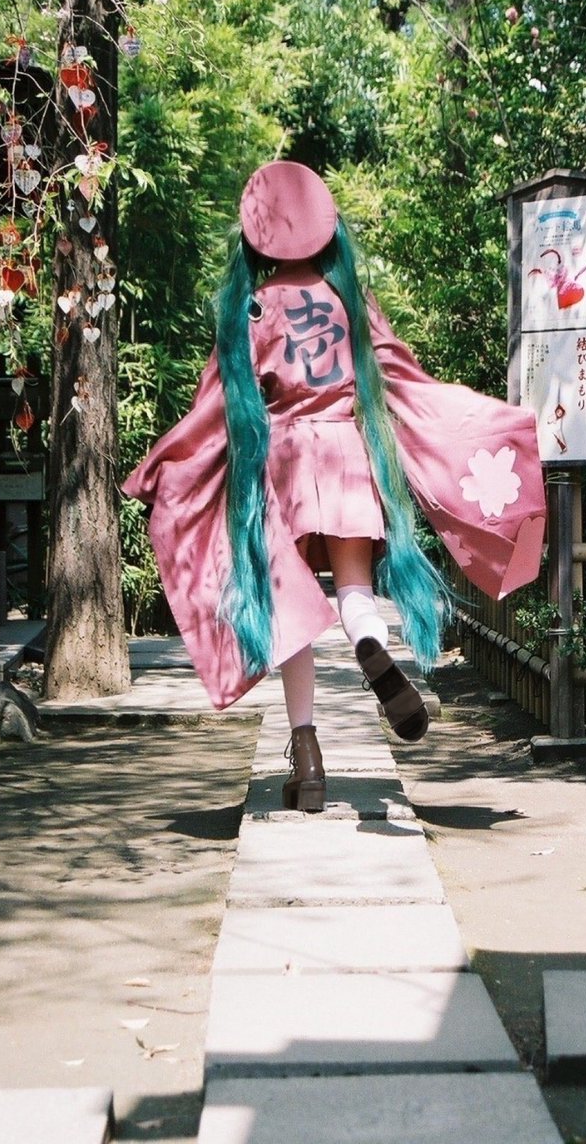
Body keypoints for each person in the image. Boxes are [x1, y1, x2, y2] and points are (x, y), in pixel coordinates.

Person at [122, 161, 546, 810]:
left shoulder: (252, 308)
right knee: (354, 590)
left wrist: (166, 463)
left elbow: (216, 405)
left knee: (289, 611)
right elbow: (406, 383)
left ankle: (308, 757)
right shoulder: (352, 302)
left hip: (285, 464)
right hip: (349, 454)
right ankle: (371, 642)